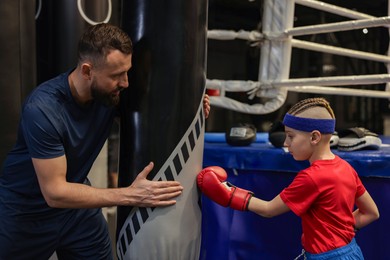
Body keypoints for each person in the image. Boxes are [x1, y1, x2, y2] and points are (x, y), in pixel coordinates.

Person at [0, 23, 210, 259]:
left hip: (77, 214)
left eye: (127, 72)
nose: (126, 82)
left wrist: (190, 109)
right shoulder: (43, 109)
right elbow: (55, 193)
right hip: (27, 213)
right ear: (88, 71)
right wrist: (131, 195)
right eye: (116, 75)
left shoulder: (110, 94)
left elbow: (153, 113)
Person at [197, 97, 379, 259]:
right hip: (352, 251)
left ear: (314, 137)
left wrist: (228, 194)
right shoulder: (345, 167)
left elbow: (268, 209)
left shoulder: (312, 177)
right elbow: (371, 213)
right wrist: (338, 233)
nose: (285, 143)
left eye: (291, 136)